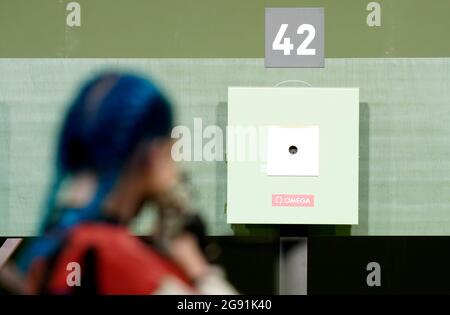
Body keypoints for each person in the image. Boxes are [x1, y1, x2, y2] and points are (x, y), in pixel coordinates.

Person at [18, 73, 236, 294]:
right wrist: (201, 274)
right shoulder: (116, 257)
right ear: (155, 155)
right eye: (175, 149)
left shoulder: (53, 247)